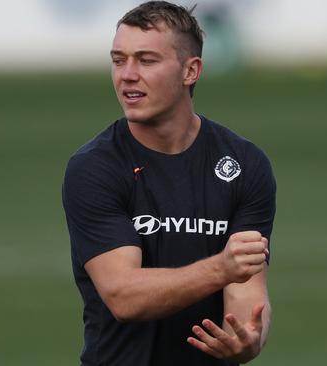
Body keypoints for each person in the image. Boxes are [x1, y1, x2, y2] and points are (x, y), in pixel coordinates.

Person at [61, 2, 276, 365]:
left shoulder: (244, 165)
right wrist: (220, 268)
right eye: (118, 60)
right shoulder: (95, 168)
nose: (127, 75)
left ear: (190, 70)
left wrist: (249, 337)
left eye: (146, 61)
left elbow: (247, 292)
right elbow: (123, 296)